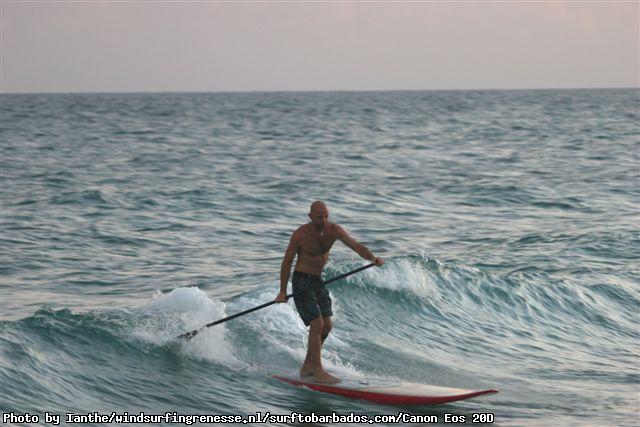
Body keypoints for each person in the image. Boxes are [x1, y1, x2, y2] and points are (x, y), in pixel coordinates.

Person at [275, 201, 384, 383]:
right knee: (317, 324)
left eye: (326, 216)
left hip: (317, 280)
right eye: (320, 217)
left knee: (327, 326)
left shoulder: (334, 230)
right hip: (302, 281)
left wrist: (372, 258)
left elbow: (355, 245)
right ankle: (318, 371)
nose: (324, 220)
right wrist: (282, 291)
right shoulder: (300, 235)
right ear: (311, 217)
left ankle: (308, 366)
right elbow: (287, 262)